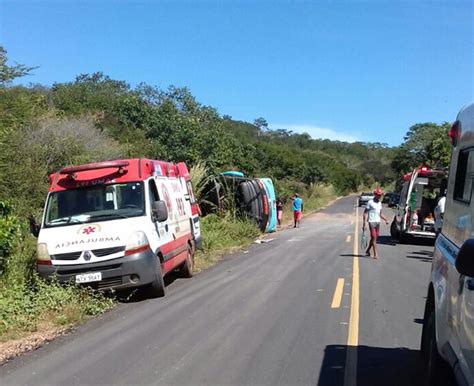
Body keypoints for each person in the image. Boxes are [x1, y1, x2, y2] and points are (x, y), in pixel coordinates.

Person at [362, 188, 389, 259]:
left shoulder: (380, 203)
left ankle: (368, 251)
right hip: (371, 222)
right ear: (375, 194)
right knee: (373, 237)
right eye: (378, 195)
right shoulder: (370, 202)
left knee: (375, 238)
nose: (380, 196)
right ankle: (375, 254)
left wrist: (385, 219)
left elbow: (380, 214)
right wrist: (364, 224)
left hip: (377, 222)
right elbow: (365, 213)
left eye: (380, 195)